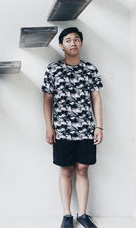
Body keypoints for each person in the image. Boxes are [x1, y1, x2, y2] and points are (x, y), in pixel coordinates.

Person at [41, 27, 103, 228]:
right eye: (68, 40)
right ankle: (67, 215)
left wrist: (99, 126)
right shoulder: (53, 69)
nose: (73, 43)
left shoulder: (90, 69)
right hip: (62, 129)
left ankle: (83, 214)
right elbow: (47, 100)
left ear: (81, 43)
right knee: (66, 170)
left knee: (83, 169)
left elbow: (96, 98)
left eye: (76, 39)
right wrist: (49, 127)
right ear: (61, 45)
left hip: (86, 128)